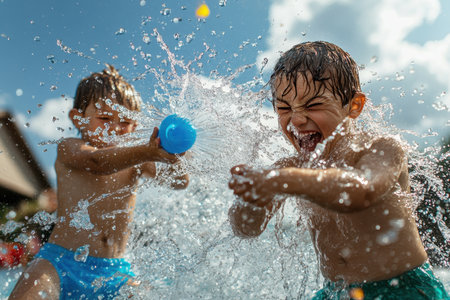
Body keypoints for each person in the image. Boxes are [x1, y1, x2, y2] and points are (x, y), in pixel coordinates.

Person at [228, 41, 449, 299]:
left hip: (403, 289)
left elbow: (361, 191)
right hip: (337, 293)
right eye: (285, 108)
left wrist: (281, 181)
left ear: (354, 106)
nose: (297, 120)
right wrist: (252, 199)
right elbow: (246, 229)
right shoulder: (290, 168)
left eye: (312, 105)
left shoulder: (381, 148)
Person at [9, 64, 189, 299]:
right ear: (79, 119)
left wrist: (174, 158)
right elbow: (97, 163)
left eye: (125, 122)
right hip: (59, 264)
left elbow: (179, 183)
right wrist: (148, 152)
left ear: (135, 126)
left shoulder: (138, 160)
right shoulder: (70, 148)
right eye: (104, 117)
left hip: (114, 272)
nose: (115, 127)